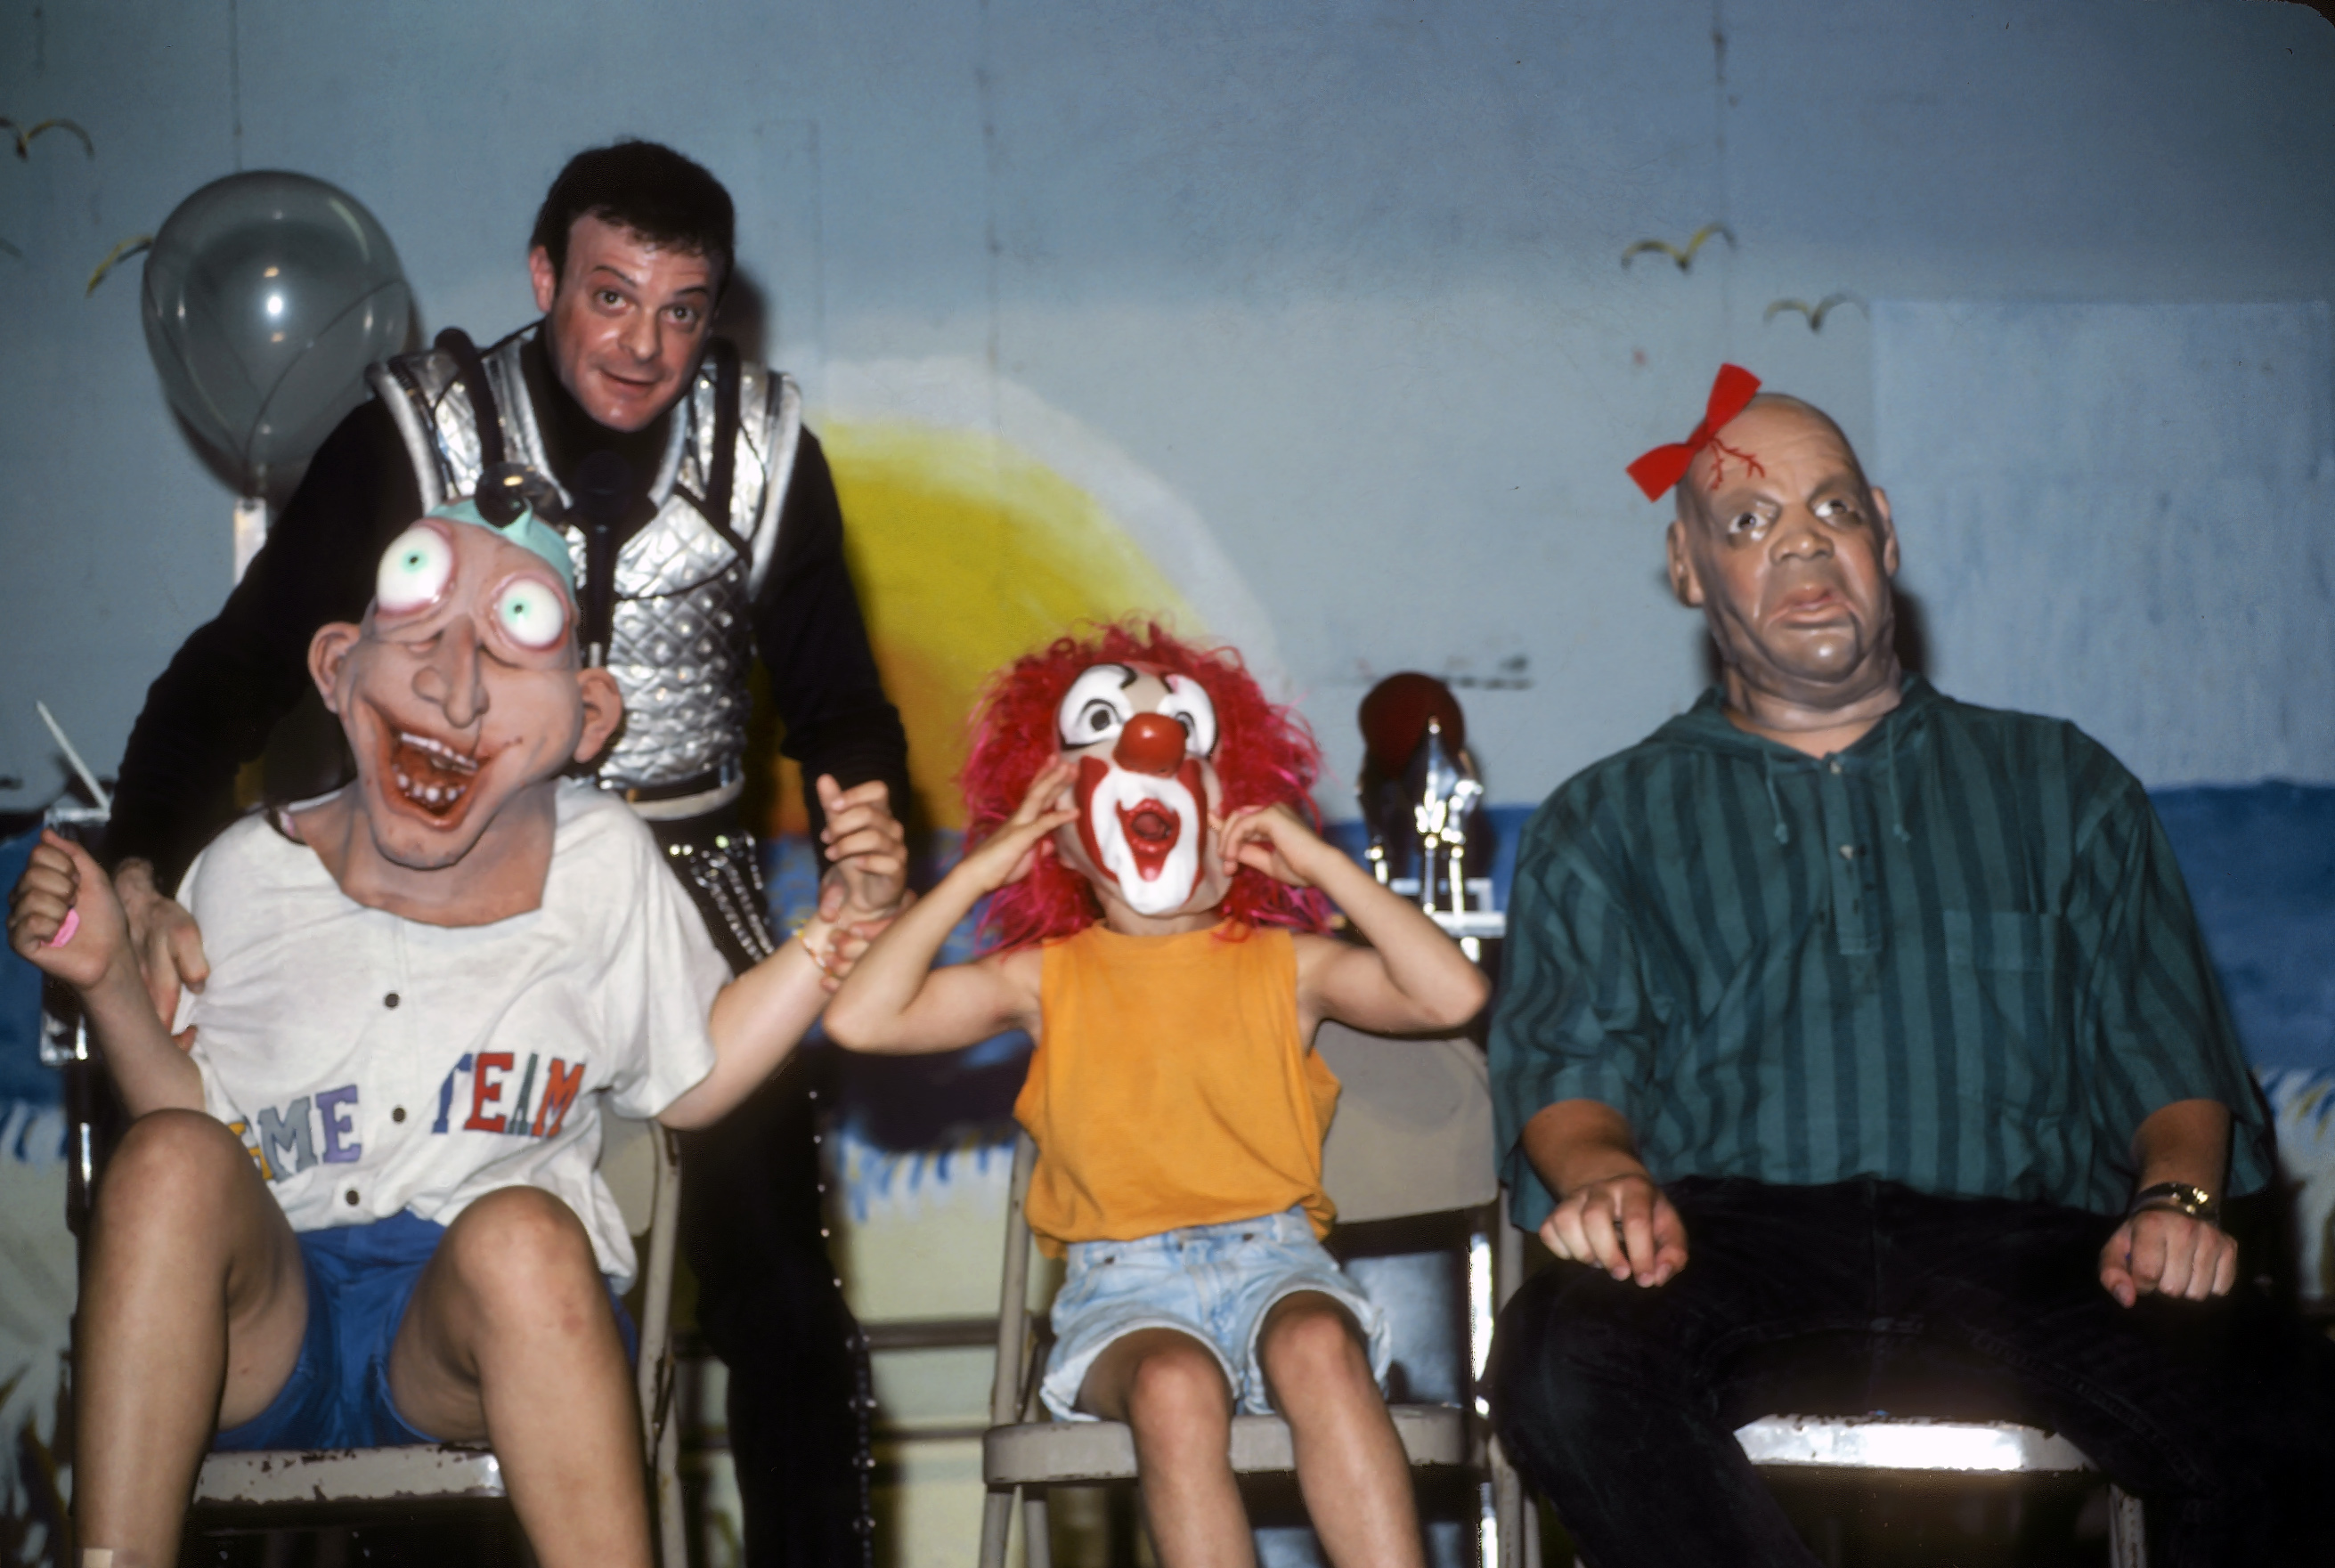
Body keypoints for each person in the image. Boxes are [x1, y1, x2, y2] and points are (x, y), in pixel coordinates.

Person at [102, 140, 907, 1562]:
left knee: (780, 1281)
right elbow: (239, 665)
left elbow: (836, 694)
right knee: (224, 1185)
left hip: (671, 879)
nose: (641, 345)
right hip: (432, 870)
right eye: (610, 297)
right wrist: (140, 866)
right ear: (544, 278)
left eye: (679, 311)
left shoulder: (763, 447)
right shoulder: (415, 434)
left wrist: (866, 818)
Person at [1485, 365, 2335, 1566]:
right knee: (1557, 1362)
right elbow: (1571, 1081)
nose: (1801, 544)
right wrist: (1606, 1178)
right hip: (1721, 1247)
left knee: (2281, 1400)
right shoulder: (1602, 822)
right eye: (1747, 522)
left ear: (1883, 534)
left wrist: (2175, 1205)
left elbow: (2170, 1065)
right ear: (1687, 569)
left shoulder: (2064, 785)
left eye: (1832, 509)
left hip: (2032, 1250)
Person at [7, 500, 903, 1568]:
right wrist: (109, 980)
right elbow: (189, 1133)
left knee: (524, 1240)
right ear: (336, 668)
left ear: (589, 716)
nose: (455, 687)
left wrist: (841, 928)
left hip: (470, 1332)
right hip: (266, 1320)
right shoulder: (246, 872)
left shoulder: (601, 864)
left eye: (510, 650)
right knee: (162, 1164)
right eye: (420, 636)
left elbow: (694, 1071)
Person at [822, 625, 1489, 1568]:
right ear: (1060, 835)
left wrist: (1322, 864)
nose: (1150, 748)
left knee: (1321, 1349)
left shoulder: (1290, 965)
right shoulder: (1040, 978)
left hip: (1277, 1262)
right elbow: (860, 1019)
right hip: (1121, 1288)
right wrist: (983, 865)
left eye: (1187, 747)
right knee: (1174, 1387)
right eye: (1109, 733)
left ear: (1236, 808)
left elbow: (1452, 996)